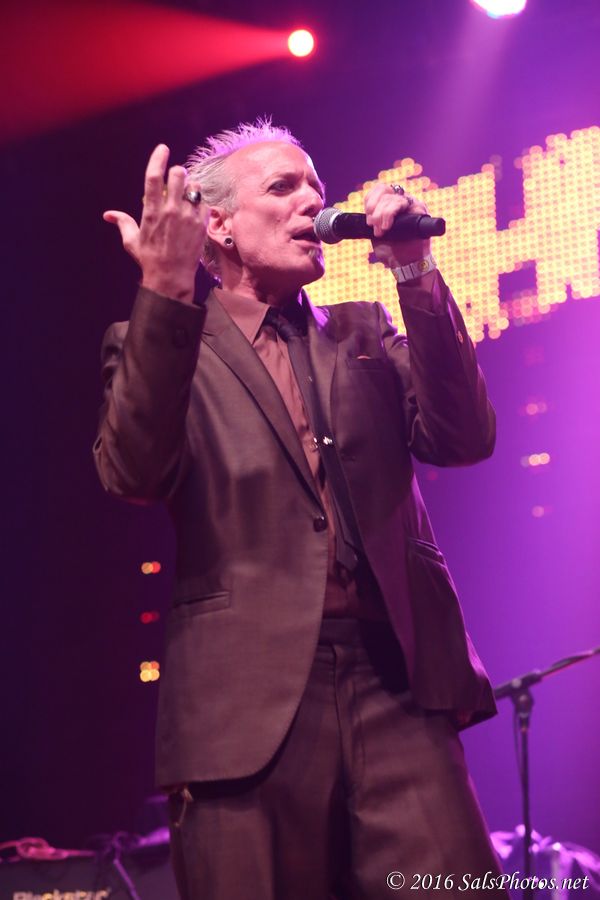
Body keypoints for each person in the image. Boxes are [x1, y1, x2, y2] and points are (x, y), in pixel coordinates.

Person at [95, 119, 507, 899]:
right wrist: (164, 292)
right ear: (217, 226)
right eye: (283, 187)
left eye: (315, 186)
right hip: (244, 701)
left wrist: (413, 266)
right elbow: (134, 473)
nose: (313, 201)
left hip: (398, 683)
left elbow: (464, 438)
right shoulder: (165, 344)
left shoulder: (364, 331)